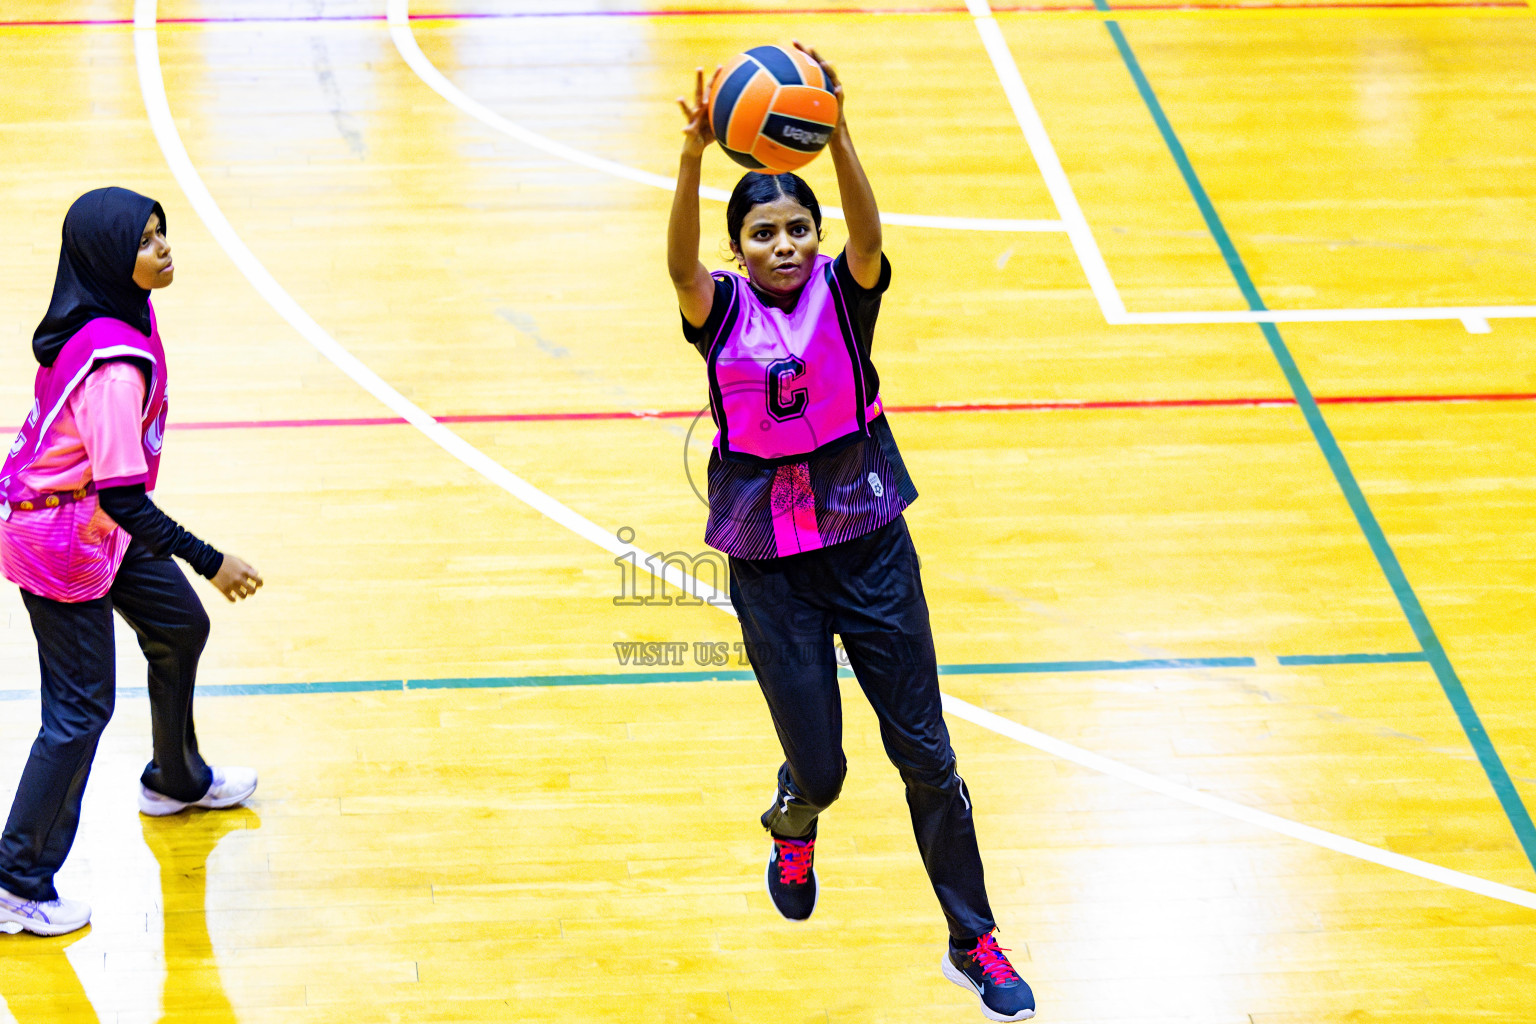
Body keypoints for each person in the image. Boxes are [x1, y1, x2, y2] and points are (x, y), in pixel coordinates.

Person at [668, 45, 1035, 1022]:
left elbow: (867, 233)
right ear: (737, 246)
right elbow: (676, 263)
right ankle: (795, 815)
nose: (783, 242)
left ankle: (974, 936)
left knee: (928, 756)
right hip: (772, 572)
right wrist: (694, 159)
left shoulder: (845, 290)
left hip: (870, 546)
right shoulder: (717, 309)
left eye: (798, 228)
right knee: (824, 769)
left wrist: (844, 139)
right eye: (763, 231)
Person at [0, 187, 264, 938]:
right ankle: (16, 881)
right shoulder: (113, 370)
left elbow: (116, 498)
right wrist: (214, 561)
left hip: (95, 521)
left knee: (178, 626)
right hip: (62, 537)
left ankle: (174, 780)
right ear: (114, 258)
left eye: (163, 233)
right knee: (80, 710)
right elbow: (126, 499)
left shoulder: (114, 312)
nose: (164, 248)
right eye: (148, 240)